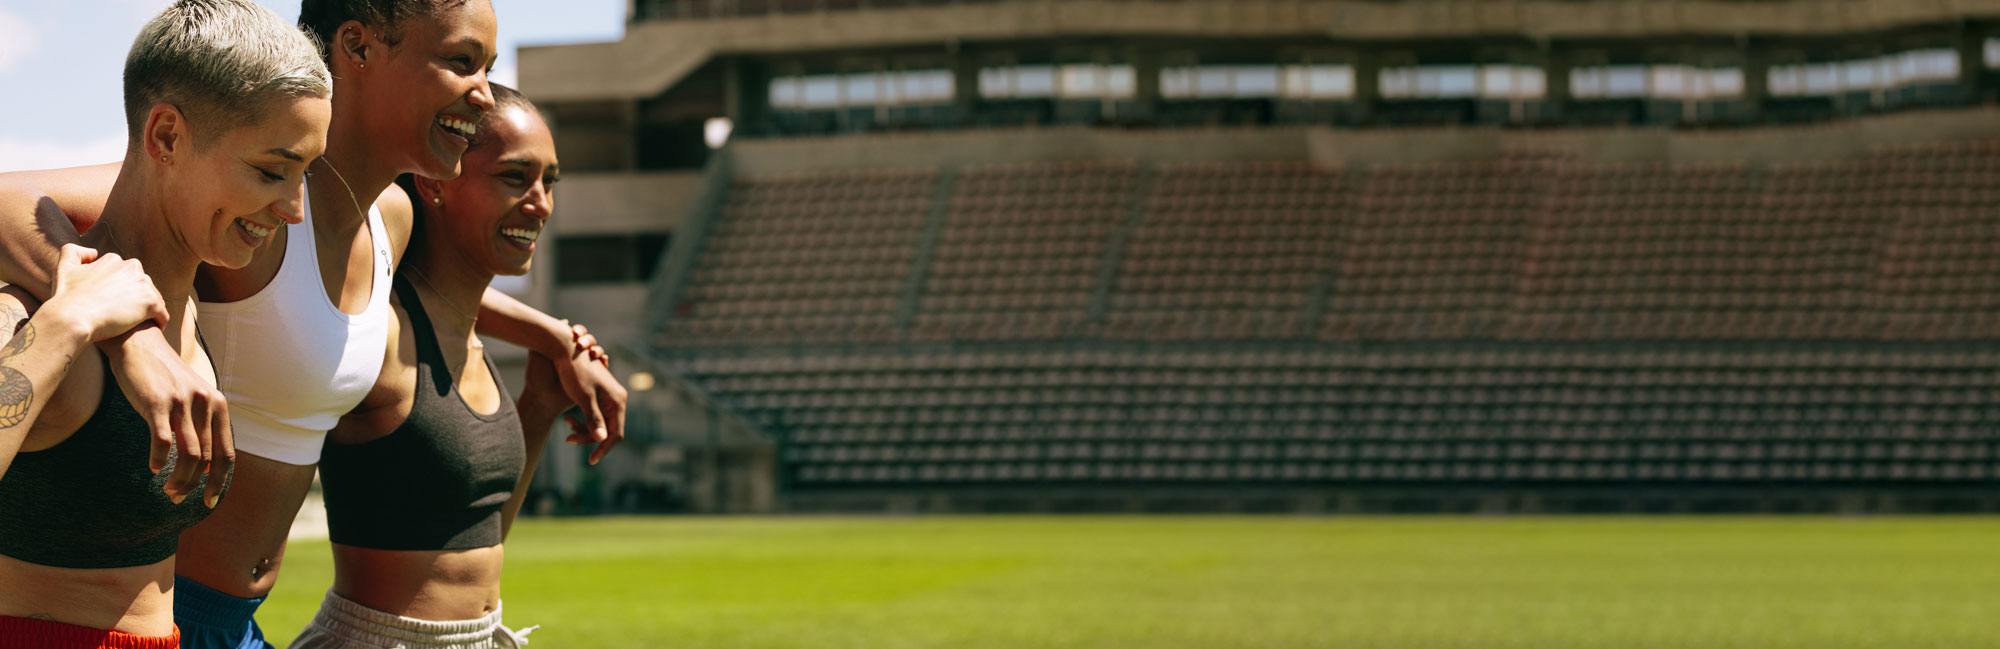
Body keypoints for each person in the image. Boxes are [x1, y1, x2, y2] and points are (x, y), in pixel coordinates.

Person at [0, 2, 627, 647]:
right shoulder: (243, 206)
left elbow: (431, 294)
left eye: (489, 68)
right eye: (461, 61)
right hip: (162, 607)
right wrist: (130, 334)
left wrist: (551, 336)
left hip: (237, 623)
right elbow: (55, 207)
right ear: (356, 45)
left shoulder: (387, 218)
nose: (482, 93)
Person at [0, 1, 333, 647]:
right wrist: (68, 324)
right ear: (167, 137)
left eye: (304, 175)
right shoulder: (36, 310)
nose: (294, 209)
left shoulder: (190, 295)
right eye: (270, 170)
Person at [293, 83, 578, 649]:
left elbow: (478, 535)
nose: (541, 202)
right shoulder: (381, 329)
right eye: (515, 178)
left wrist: (542, 406)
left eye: (550, 182)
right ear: (434, 183)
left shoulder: (469, 335)